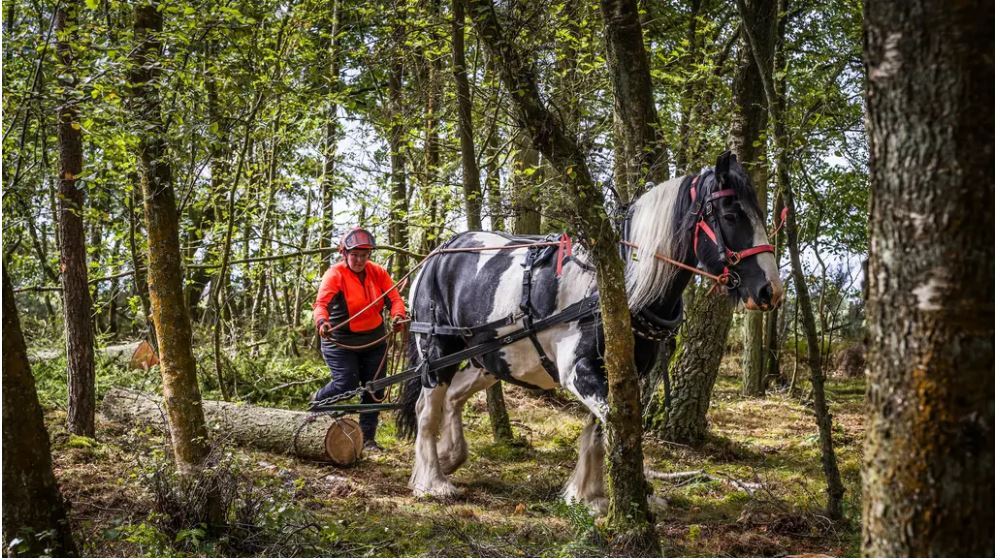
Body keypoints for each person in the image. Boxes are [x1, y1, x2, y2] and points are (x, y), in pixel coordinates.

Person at [312, 227, 406, 452]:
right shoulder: (334, 274)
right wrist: (322, 322)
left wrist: (398, 316)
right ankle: (316, 405)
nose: (360, 260)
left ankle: (368, 439)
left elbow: (394, 299)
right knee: (346, 383)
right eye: (355, 255)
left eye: (364, 255)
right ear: (344, 253)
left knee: (375, 389)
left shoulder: (378, 272)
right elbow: (320, 305)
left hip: (374, 341)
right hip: (340, 342)